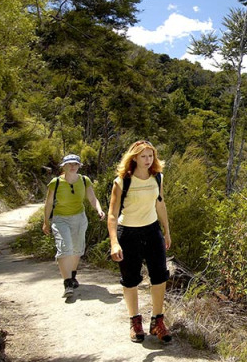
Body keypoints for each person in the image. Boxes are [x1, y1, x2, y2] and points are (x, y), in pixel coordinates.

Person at [107, 140, 173, 343]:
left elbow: (160, 204)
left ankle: (157, 321)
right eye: (143, 156)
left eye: (150, 156)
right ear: (134, 157)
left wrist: (167, 231)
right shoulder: (122, 182)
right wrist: (114, 242)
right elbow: (112, 214)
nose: (147, 160)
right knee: (130, 279)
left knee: (160, 276)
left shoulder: (157, 178)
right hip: (128, 233)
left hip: (152, 231)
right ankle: (135, 322)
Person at [43, 154, 106, 298]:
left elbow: (92, 198)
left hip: (79, 218)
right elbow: (49, 203)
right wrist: (46, 222)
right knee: (65, 247)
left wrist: (99, 209)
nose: (72, 166)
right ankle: (67, 283)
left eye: (75, 164)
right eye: (69, 164)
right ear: (63, 166)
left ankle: (72, 275)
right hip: (60, 219)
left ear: (79, 166)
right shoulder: (55, 182)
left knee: (77, 249)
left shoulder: (84, 180)